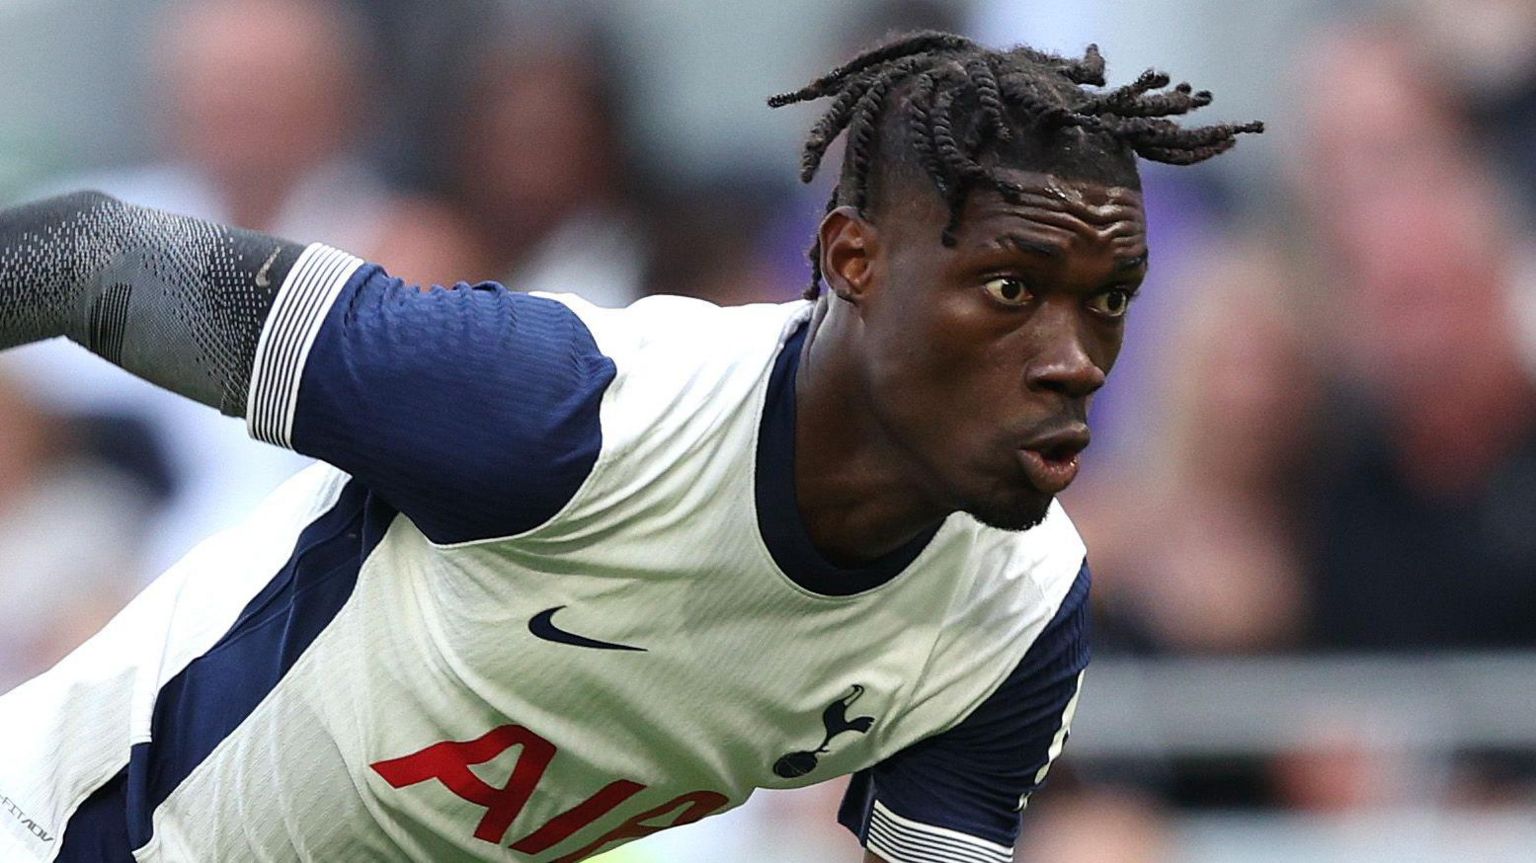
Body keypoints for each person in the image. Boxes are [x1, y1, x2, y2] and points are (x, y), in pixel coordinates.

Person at [0, 31, 1257, 863]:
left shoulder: (1022, 610)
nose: (1077, 358)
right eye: (1007, 289)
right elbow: (91, 260)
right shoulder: (564, 414)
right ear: (852, 264)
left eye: (1108, 299)